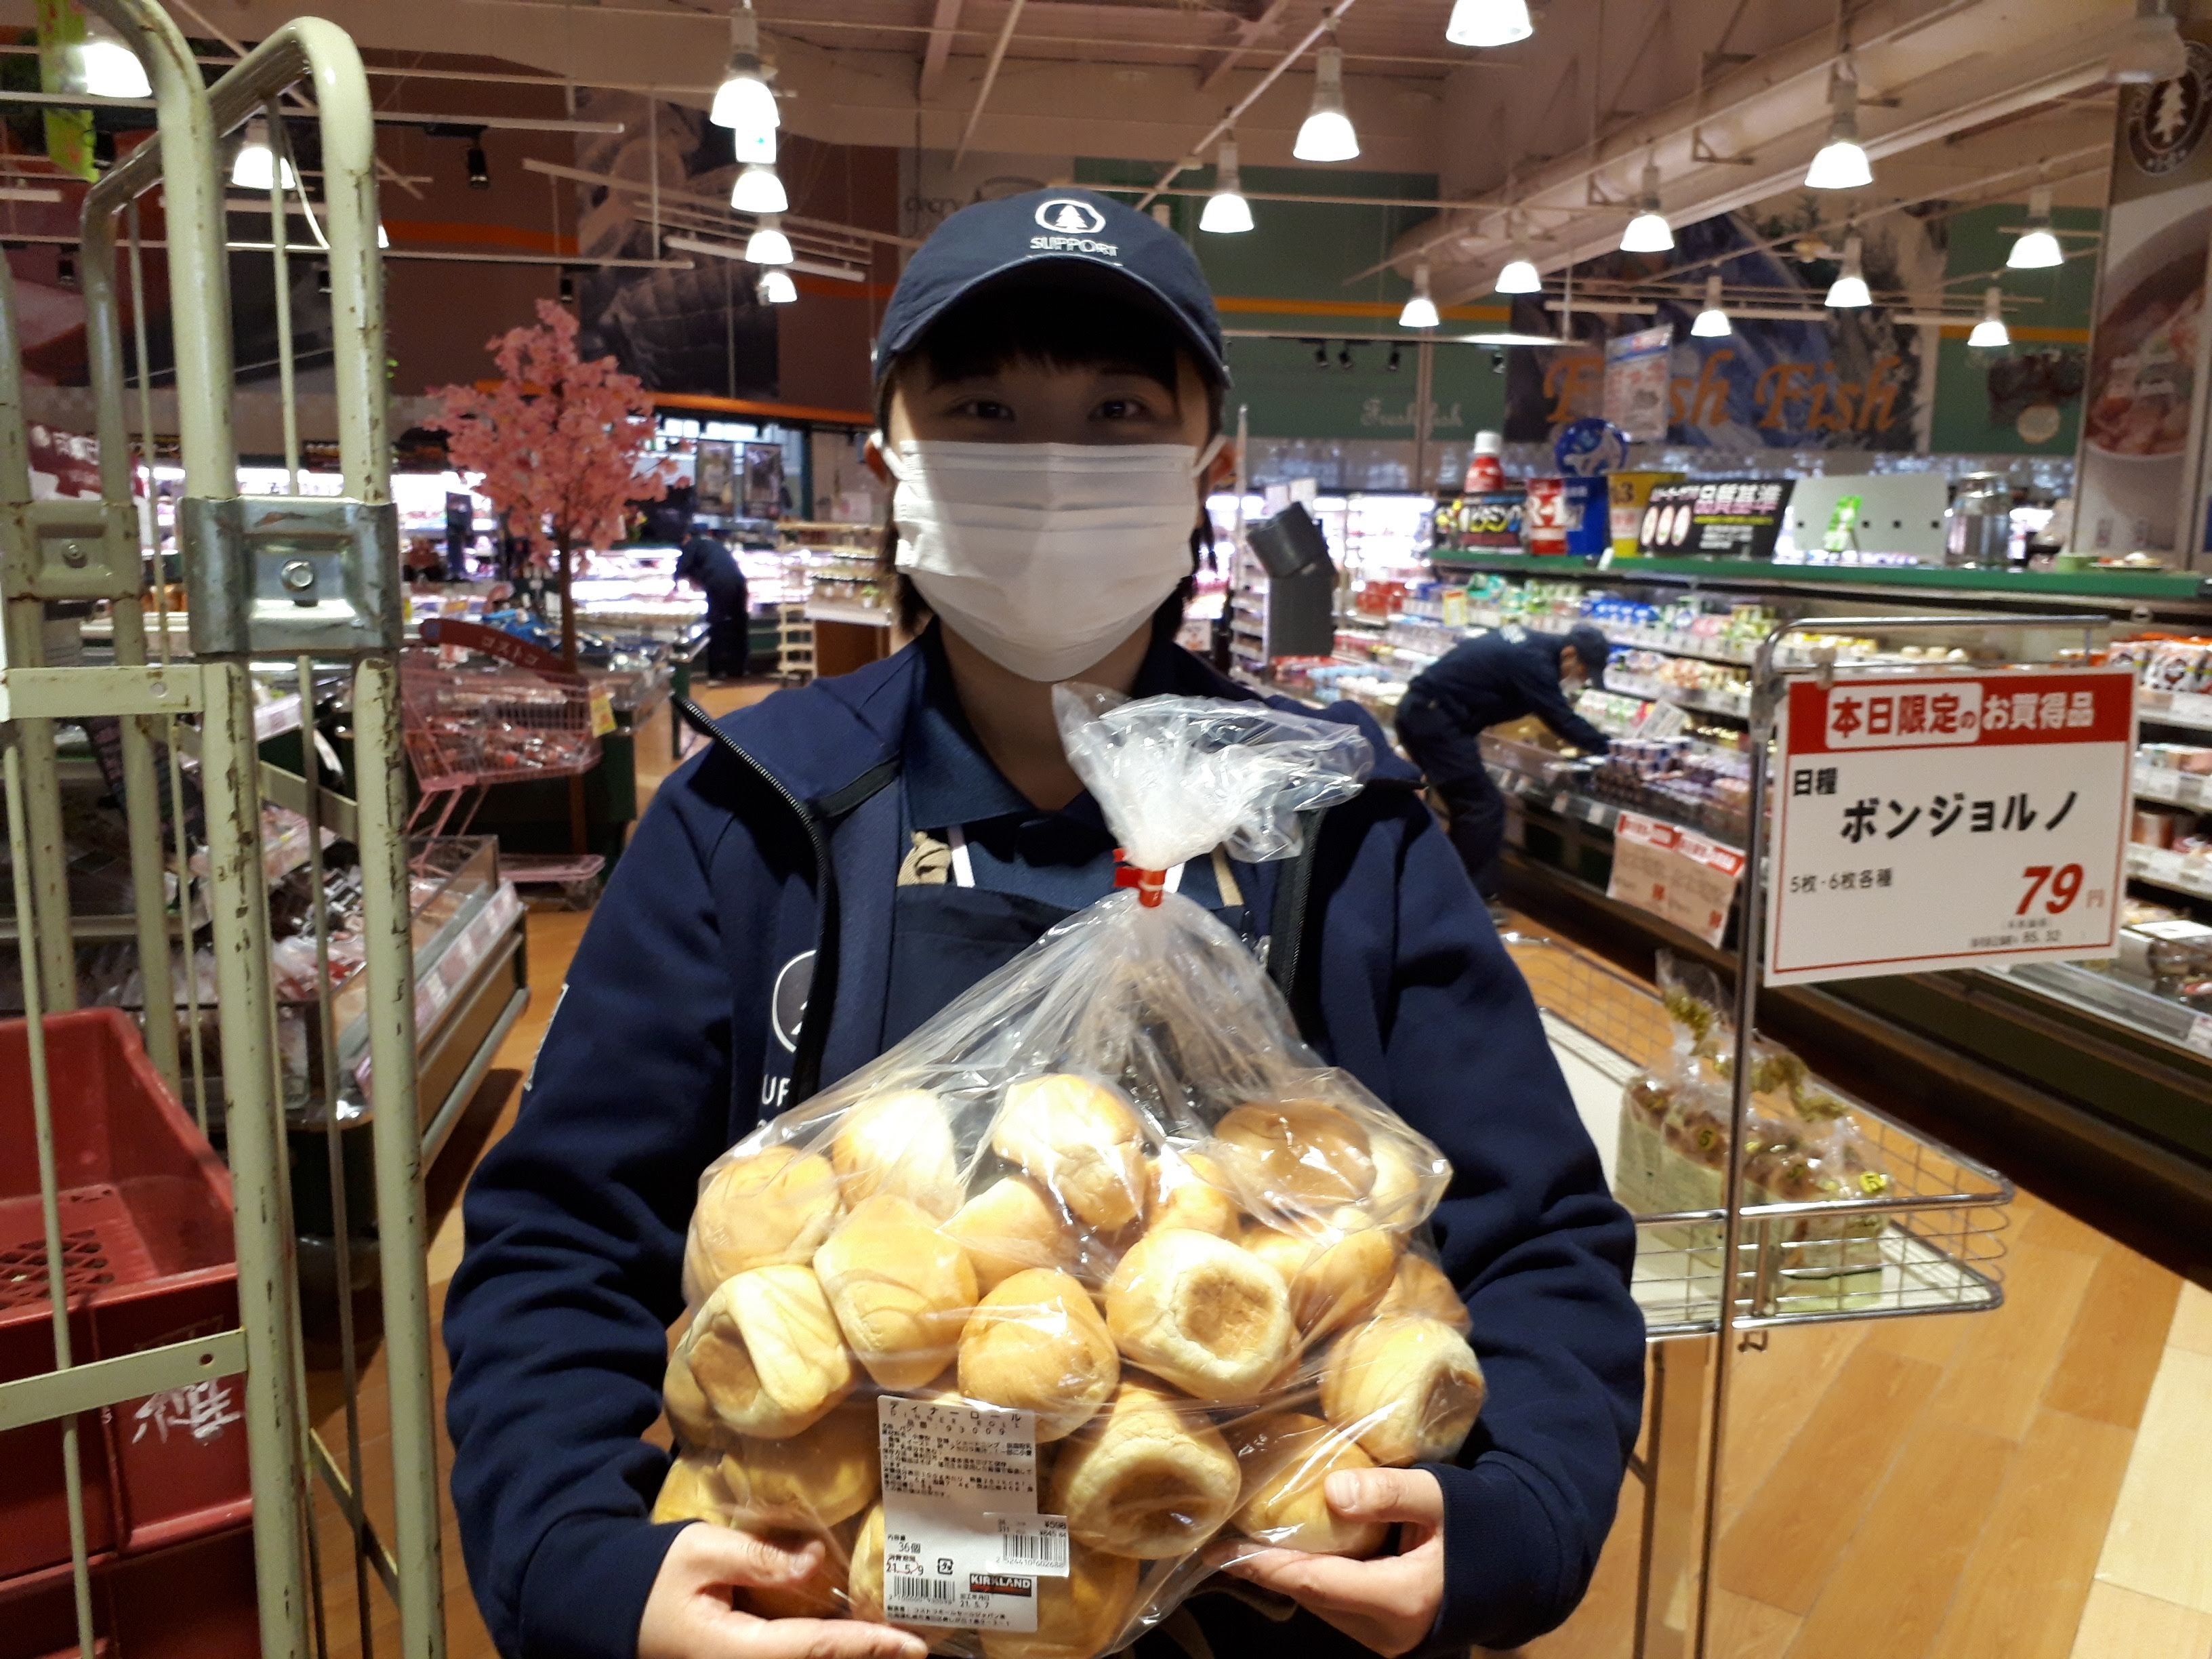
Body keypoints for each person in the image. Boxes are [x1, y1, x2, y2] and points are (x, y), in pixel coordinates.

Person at [443, 189, 1643, 1659]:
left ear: (1207, 463)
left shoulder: (1341, 823)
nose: (1055, 467)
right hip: (847, 1619)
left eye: (1119, 412)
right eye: (985, 411)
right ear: (890, 457)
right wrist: (578, 1555)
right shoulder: (754, 816)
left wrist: (1516, 1515)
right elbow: (563, 1235)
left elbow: (1538, 1231)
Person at [1393, 623, 1613, 899]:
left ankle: (1447, 889)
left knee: (1471, 807)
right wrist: (1609, 749)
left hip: (1429, 714)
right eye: (1581, 672)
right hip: (1433, 720)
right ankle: (1466, 899)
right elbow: (1559, 718)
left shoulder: (1533, 645)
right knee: (1482, 808)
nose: (1580, 680)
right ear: (1569, 654)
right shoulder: (1534, 662)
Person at [675, 520, 750, 680]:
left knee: (715, 625)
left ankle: (715, 670)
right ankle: (739, 669)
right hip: (739, 583)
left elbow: (683, 566)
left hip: (719, 584)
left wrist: (674, 583)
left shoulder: (693, 543)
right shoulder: (716, 544)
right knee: (739, 625)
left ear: (688, 536)